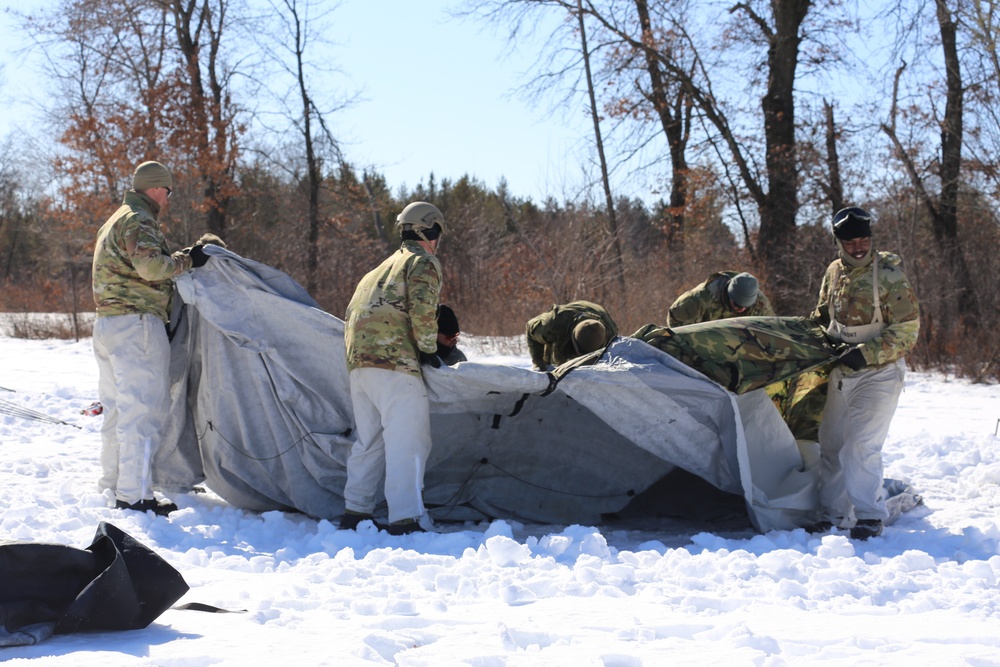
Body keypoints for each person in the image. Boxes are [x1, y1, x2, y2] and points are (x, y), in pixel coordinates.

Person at [92, 160, 209, 516]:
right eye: (168, 190)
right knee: (142, 410)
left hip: (108, 325)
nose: (169, 198)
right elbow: (151, 267)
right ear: (157, 188)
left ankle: (114, 484)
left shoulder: (114, 219)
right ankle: (135, 495)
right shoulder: (140, 219)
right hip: (137, 324)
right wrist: (187, 261)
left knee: (116, 410)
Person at [811, 206, 920, 540]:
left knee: (861, 445)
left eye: (863, 239)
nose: (858, 246)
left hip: (880, 372)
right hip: (842, 369)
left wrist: (867, 354)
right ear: (838, 242)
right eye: (850, 241)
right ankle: (833, 514)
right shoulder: (833, 272)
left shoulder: (888, 275)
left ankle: (870, 516)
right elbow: (820, 315)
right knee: (830, 445)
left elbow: (907, 330)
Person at [340, 201, 445, 535]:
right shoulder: (422, 262)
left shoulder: (377, 270)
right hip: (395, 364)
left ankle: (355, 511)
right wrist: (428, 350)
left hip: (359, 364)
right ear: (430, 229)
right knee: (409, 441)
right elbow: (423, 309)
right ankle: (407, 517)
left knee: (368, 441)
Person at [525, 301, 618, 371]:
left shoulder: (611, 336)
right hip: (566, 322)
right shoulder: (553, 326)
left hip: (597, 312)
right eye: (580, 353)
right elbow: (530, 328)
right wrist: (538, 362)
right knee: (556, 359)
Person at [667, 271, 774, 328]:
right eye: (737, 305)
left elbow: (772, 329)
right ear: (729, 294)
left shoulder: (760, 303)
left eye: (745, 307)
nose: (741, 309)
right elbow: (675, 322)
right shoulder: (698, 300)